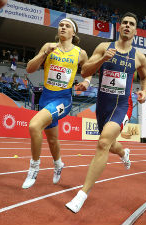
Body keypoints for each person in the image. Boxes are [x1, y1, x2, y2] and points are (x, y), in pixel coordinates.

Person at [65, 12, 146, 213]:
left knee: (102, 142)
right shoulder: (104, 47)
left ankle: (82, 194)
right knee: (110, 145)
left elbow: (145, 78)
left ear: (135, 31)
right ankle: (123, 152)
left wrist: (144, 91)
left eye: (131, 24)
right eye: (124, 23)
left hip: (122, 106)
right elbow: (85, 71)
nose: (127, 26)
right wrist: (103, 59)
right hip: (102, 105)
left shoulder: (139, 57)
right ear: (119, 27)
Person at [22, 18, 91, 189]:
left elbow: (88, 72)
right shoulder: (48, 46)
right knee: (52, 140)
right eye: (61, 25)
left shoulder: (80, 53)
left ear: (73, 33)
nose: (63, 28)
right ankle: (58, 164)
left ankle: (33, 168)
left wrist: (86, 83)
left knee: (34, 126)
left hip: (63, 99)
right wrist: (45, 54)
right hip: (46, 98)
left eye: (67, 26)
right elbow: (29, 69)